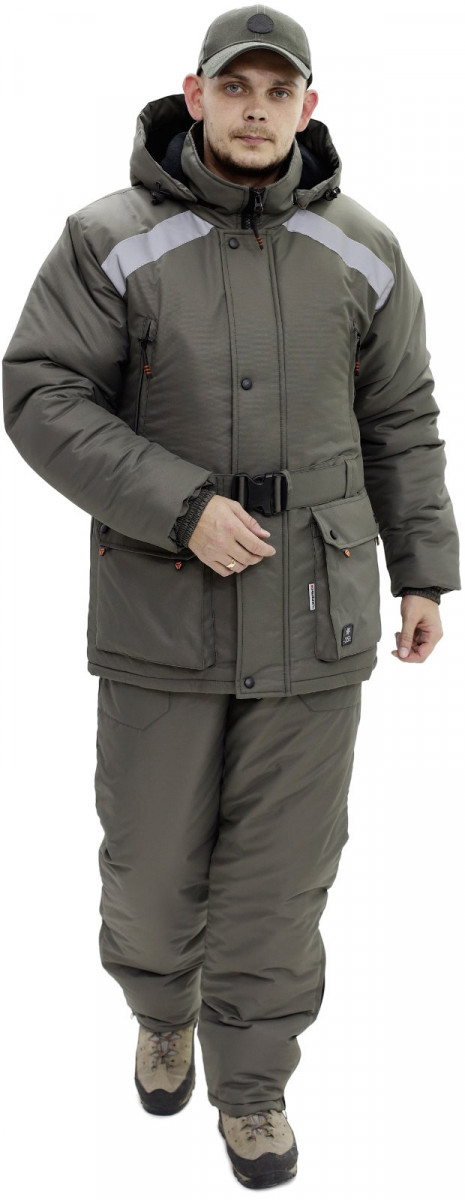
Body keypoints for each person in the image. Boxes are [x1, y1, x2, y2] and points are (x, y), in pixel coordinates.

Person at [2, 3, 461, 1191]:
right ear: (196, 94)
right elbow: (41, 394)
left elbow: (402, 418)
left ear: (308, 107)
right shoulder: (108, 239)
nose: (257, 110)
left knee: (281, 884)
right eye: (236, 87)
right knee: (153, 874)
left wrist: (424, 570)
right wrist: (180, 505)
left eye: (278, 90)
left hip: (317, 613)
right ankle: (161, 1012)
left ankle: (252, 1089)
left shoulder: (364, 247)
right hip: (163, 612)